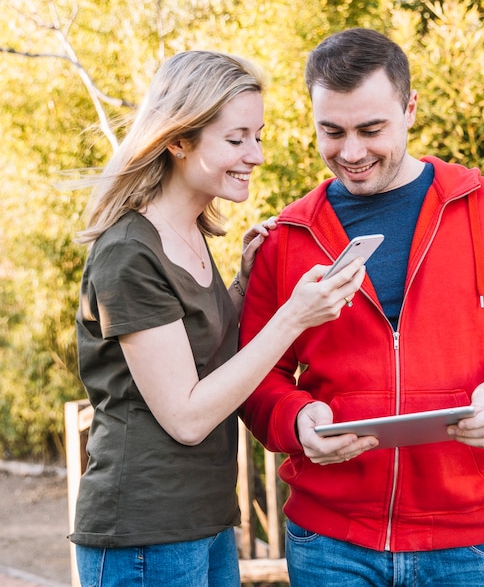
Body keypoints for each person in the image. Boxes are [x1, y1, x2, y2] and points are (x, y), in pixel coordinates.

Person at [239, 28, 484, 586]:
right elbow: (256, 374)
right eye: (332, 131)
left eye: (372, 129)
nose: (351, 153)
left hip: (465, 543)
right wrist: (296, 419)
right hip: (329, 544)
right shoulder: (287, 237)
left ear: (411, 108)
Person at [70, 50, 366, 587]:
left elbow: (198, 350)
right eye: (236, 139)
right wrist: (292, 317)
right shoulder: (128, 253)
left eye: (257, 136)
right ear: (178, 141)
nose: (253, 154)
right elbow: (187, 416)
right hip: (145, 531)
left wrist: (241, 286)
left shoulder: (191, 236)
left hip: (202, 519)